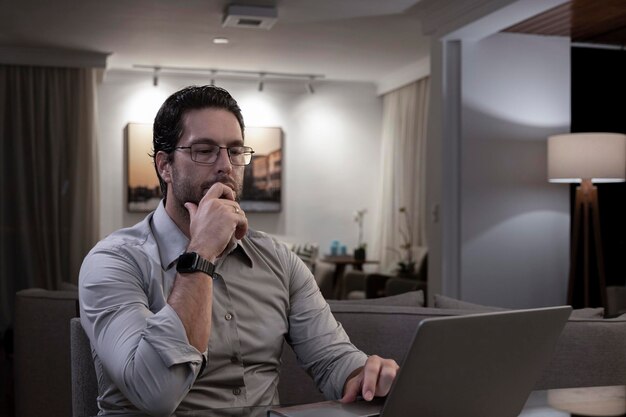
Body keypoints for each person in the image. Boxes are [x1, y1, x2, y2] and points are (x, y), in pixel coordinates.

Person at [79, 85, 398, 416]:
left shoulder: (279, 261)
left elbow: (332, 360)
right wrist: (202, 251)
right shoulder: (114, 261)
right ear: (165, 166)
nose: (226, 167)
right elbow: (156, 394)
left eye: (234, 151)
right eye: (204, 151)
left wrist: (365, 376)